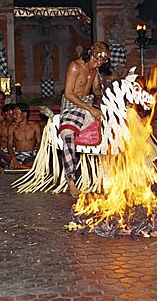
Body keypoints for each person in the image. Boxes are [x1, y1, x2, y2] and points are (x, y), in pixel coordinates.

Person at [59, 42, 110, 197]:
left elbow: (94, 89)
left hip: (88, 106)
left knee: (112, 127)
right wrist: (91, 109)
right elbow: (68, 93)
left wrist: (102, 95)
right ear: (89, 54)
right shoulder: (75, 66)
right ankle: (71, 181)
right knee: (68, 134)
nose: (97, 64)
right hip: (71, 107)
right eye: (96, 61)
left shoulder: (95, 70)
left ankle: (106, 176)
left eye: (101, 63)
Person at [6, 103, 42, 169]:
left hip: (31, 155)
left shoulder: (35, 126)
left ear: (25, 114)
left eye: (16, 114)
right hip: (17, 154)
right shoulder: (12, 127)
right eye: (14, 113)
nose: (14, 116)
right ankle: (29, 168)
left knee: (40, 160)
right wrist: (13, 157)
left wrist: (38, 154)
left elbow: (40, 142)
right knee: (2, 159)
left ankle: (23, 167)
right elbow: (9, 144)